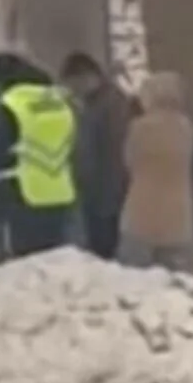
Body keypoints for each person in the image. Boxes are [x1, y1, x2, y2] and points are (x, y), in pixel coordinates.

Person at [0, 52, 77, 257]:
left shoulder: (14, 104)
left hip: (22, 192)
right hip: (59, 192)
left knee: (23, 261)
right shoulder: (59, 102)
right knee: (55, 259)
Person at [58, 51, 138, 259]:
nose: (73, 90)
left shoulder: (111, 104)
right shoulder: (91, 103)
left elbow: (115, 151)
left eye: (74, 83)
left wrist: (109, 193)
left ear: (88, 77)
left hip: (106, 193)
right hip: (95, 191)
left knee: (104, 249)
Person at [118, 72, 193, 271]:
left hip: (140, 216)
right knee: (176, 278)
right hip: (178, 219)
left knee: (133, 277)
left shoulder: (140, 128)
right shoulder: (186, 128)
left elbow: (129, 161)